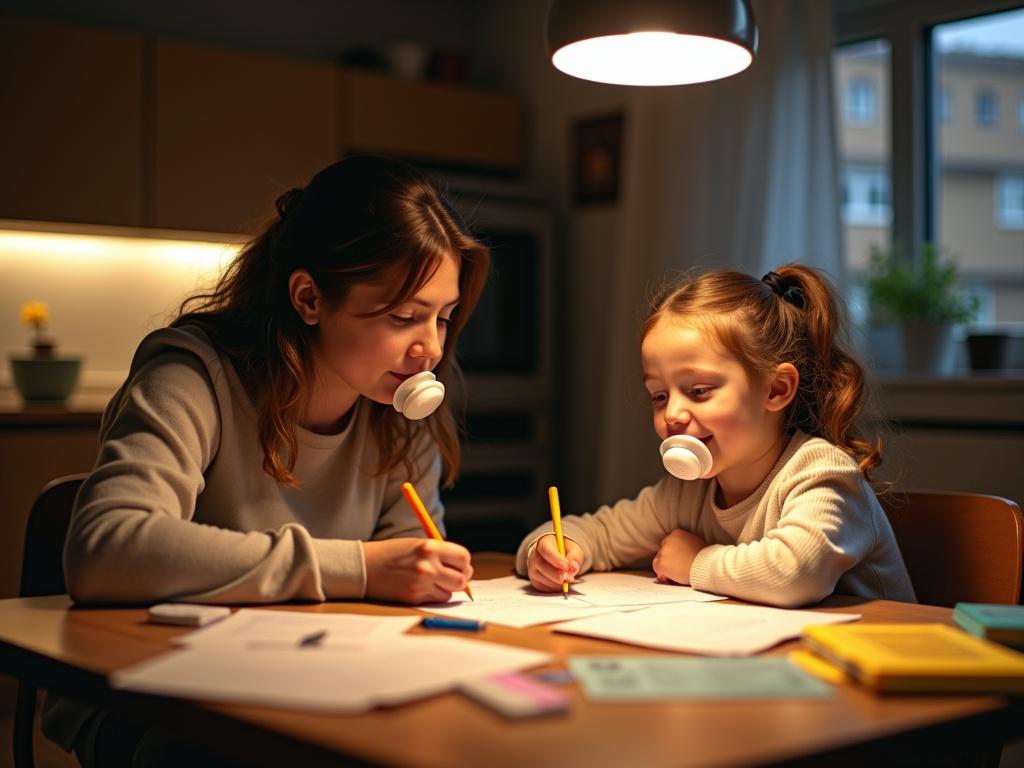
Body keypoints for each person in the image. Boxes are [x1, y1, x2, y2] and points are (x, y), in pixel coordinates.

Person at [46, 154, 490, 766]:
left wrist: (416, 574)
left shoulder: (399, 403)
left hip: (307, 682)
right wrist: (359, 567)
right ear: (309, 298)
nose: (431, 349)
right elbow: (107, 549)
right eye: (403, 317)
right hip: (148, 693)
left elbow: (407, 579)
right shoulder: (193, 376)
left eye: (442, 317)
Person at [520, 264, 915, 608]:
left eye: (698, 391)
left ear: (775, 390)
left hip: (889, 677)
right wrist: (551, 552)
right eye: (659, 395)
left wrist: (695, 562)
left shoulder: (821, 471)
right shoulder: (685, 493)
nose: (671, 414)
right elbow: (599, 532)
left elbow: (797, 572)